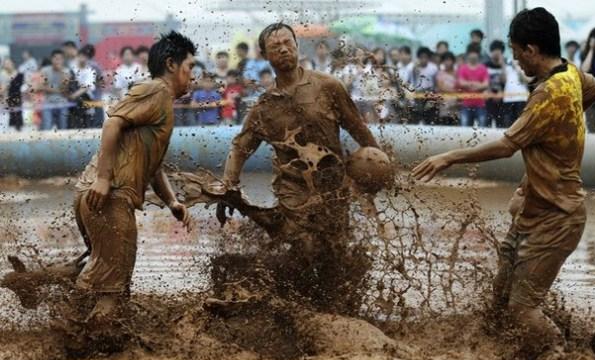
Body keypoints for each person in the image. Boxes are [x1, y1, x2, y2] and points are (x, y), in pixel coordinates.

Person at [412, 8, 595, 360]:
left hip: (557, 217)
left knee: (522, 309)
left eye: (517, 53)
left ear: (532, 49)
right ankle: (499, 355)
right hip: (534, 208)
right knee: (500, 296)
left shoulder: (548, 93)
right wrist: (563, 133)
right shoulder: (571, 74)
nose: (515, 61)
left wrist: (449, 157)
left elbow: (506, 146)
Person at [219, 22, 381, 260]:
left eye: (288, 43)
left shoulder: (328, 87)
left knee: (335, 252)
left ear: (297, 46)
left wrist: (380, 164)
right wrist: (228, 187)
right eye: (275, 46)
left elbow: (358, 129)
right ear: (265, 56)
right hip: (292, 190)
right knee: (303, 245)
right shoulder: (264, 107)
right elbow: (240, 148)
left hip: (332, 185)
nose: (283, 49)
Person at [74, 31, 196, 320]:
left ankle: (44, 287)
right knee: (112, 294)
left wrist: (172, 202)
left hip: (98, 195)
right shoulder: (156, 91)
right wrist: (104, 179)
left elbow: (153, 166)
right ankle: (79, 348)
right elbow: (112, 124)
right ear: (170, 64)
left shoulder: (161, 99)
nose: (193, 75)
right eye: (190, 67)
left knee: (105, 278)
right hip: (109, 196)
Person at [457, 43, 489, 127]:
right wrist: (477, 84)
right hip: (466, 104)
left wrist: (469, 84)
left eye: (475, 52)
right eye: (471, 53)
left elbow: (486, 84)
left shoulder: (483, 68)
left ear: (478, 54)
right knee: (464, 130)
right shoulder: (463, 68)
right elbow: (461, 83)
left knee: (483, 129)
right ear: (468, 54)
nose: (473, 55)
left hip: (480, 104)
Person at [39, 49, 71, 130]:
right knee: (46, 128)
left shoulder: (66, 71)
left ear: (63, 60)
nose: (58, 61)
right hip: (48, 103)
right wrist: (57, 90)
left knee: (63, 129)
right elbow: (42, 87)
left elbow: (64, 89)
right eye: (55, 58)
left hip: (63, 103)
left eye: (60, 59)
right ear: (51, 59)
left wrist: (61, 72)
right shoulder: (45, 70)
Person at [581, 27, 595, 134]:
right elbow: (584, 69)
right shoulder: (586, 53)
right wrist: (591, 49)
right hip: (591, 96)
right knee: (593, 130)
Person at [69, 47, 98, 129]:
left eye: (84, 56)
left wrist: (75, 95)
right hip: (74, 98)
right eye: (80, 56)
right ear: (77, 57)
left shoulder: (91, 71)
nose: (82, 58)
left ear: (88, 58)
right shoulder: (72, 70)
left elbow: (87, 87)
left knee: (87, 122)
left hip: (86, 98)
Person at [409, 46, 439, 124]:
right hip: (418, 93)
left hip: (430, 93)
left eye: (425, 57)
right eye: (421, 57)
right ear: (418, 58)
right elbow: (412, 78)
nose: (423, 59)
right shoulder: (414, 67)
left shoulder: (433, 67)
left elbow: (436, 82)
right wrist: (416, 67)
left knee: (429, 114)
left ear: (428, 58)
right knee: (417, 115)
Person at [485, 40, 507, 128]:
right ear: (491, 51)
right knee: (487, 122)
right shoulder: (486, 64)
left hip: (502, 96)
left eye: (499, 51)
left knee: (501, 123)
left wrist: (502, 65)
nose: (497, 53)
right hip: (489, 96)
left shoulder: (505, 64)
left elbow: (504, 80)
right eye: (494, 51)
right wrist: (491, 93)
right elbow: (485, 81)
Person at [502, 59, 529, 127]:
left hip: (521, 98)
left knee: (520, 122)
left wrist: (517, 68)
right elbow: (502, 80)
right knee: (507, 122)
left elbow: (526, 80)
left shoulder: (524, 67)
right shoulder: (507, 68)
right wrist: (503, 66)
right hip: (508, 98)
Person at [0, 58, 24, 131]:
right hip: (4, 104)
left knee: (17, 125)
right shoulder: (2, 75)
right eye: (5, 64)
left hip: (16, 102)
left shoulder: (19, 75)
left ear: (13, 64)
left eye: (8, 63)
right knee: (4, 125)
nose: (7, 65)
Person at [435, 51, 459, 125]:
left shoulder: (457, 73)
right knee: (444, 125)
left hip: (456, 105)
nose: (447, 62)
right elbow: (441, 87)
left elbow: (460, 86)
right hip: (444, 104)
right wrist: (454, 91)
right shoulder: (440, 73)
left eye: (449, 60)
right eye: (445, 60)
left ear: (453, 61)